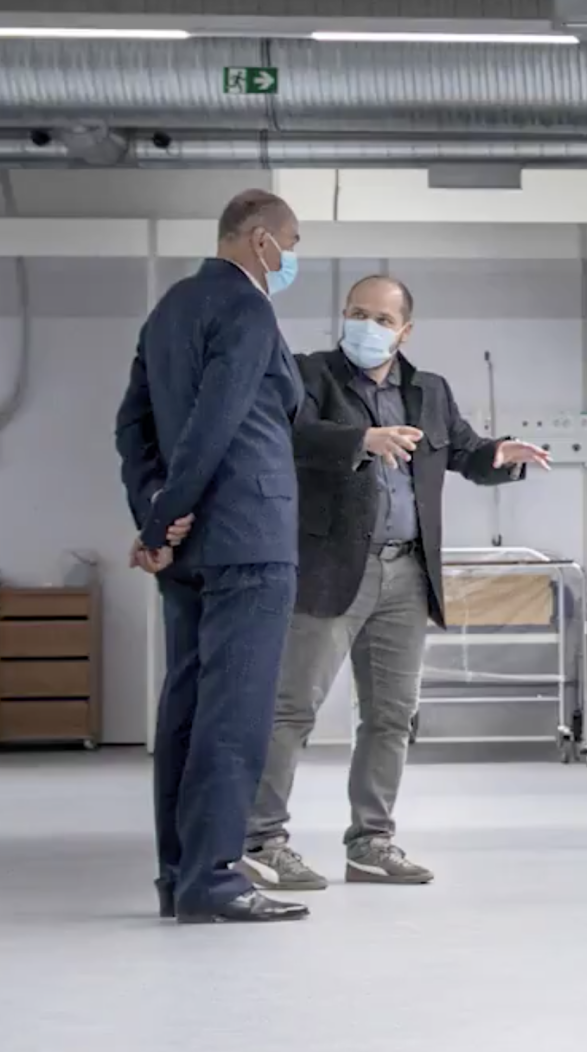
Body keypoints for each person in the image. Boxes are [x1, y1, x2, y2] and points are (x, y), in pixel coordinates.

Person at [241, 274, 551, 891]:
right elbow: (284, 435)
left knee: (390, 716)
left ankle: (371, 843)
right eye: (357, 314)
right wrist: (361, 439)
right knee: (291, 709)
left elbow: (462, 451)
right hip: (332, 568)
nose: (367, 327)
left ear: (404, 331)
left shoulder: (429, 390)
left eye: (381, 319)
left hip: (407, 572)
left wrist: (497, 456)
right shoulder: (309, 375)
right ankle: (261, 841)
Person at [113, 189, 310, 924]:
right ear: (260, 240)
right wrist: (165, 517)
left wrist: (155, 516)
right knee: (236, 713)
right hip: (249, 537)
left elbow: (132, 427)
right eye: (290, 243)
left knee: (187, 709)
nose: (290, 258)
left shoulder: (169, 310)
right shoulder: (248, 309)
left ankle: (180, 877)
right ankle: (216, 879)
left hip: (190, 549)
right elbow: (216, 421)